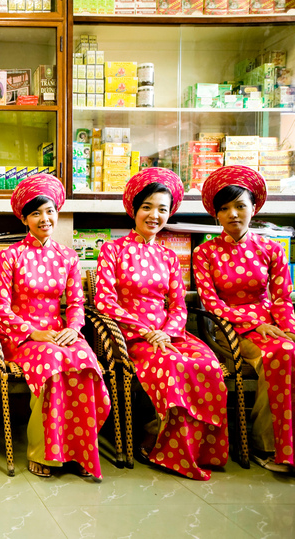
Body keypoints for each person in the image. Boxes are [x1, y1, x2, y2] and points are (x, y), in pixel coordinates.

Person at [95, 168, 228, 481]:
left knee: (206, 362)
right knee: (171, 364)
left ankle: (199, 449)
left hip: (169, 333)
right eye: (147, 207)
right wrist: (145, 331)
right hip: (131, 336)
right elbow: (104, 301)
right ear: (134, 209)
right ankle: (156, 441)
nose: (154, 215)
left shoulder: (169, 256)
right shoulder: (111, 249)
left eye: (163, 209)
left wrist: (168, 331)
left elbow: (177, 303)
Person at [0, 175, 110, 478]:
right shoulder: (10, 256)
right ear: (24, 219)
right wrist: (32, 332)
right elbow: (0, 309)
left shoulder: (68, 257)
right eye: (35, 213)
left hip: (60, 332)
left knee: (85, 361)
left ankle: (80, 451)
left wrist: (74, 327)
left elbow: (75, 303)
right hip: (22, 337)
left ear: (57, 212)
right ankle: (43, 451)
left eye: (49, 211)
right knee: (53, 363)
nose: (44, 219)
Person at [194, 165, 294, 473]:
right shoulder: (205, 252)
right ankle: (267, 445)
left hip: (272, 325)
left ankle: (281, 443)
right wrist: (253, 324)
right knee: (280, 356)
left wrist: (288, 330)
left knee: (289, 350)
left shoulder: (272, 248)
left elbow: (282, 298)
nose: (233, 214)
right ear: (216, 215)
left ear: (254, 207)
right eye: (224, 209)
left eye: (240, 206)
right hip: (229, 329)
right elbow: (210, 302)